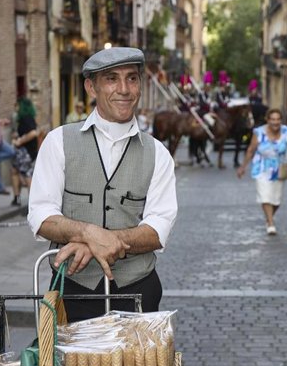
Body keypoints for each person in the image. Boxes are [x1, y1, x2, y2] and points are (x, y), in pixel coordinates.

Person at [28, 47, 178, 322]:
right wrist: (87, 232)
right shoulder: (58, 141)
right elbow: (41, 216)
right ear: (91, 87)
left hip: (137, 290)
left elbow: (158, 229)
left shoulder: (158, 153)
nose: (124, 89)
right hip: (72, 290)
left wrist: (102, 242)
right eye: (112, 79)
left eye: (132, 78)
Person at [236, 108, 287, 235]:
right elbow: (251, 149)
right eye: (272, 119)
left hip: (279, 168)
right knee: (265, 196)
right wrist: (243, 167)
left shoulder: (286, 132)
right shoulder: (259, 132)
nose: (275, 122)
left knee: (276, 200)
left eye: (278, 119)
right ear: (268, 120)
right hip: (261, 168)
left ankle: (269, 217)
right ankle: (271, 223)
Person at [10, 97, 39, 206]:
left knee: (27, 174)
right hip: (26, 151)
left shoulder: (26, 118)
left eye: (17, 105)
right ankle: (17, 197)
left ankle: (32, 202)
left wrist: (20, 141)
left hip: (26, 151)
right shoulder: (27, 118)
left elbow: (33, 133)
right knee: (15, 171)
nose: (15, 108)